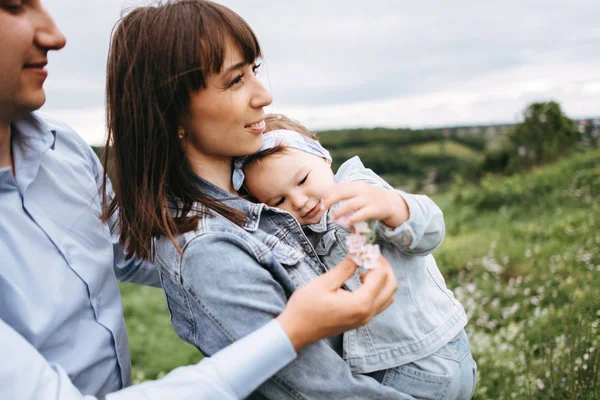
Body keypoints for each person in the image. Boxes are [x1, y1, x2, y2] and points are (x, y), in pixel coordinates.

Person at [0, 1, 399, 399]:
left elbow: (126, 247)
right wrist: (231, 281)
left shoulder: (63, 148)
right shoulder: (209, 250)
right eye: (234, 80)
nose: (265, 96)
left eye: (253, 71)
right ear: (171, 112)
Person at [234, 114, 478, 399]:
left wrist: (392, 206)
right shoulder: (299, 234)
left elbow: (432, 229)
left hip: (410, 361)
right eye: (279, 202)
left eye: (302, 180)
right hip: (426, 356)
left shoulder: (360, 188)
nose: (298, 201)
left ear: (322, 156)